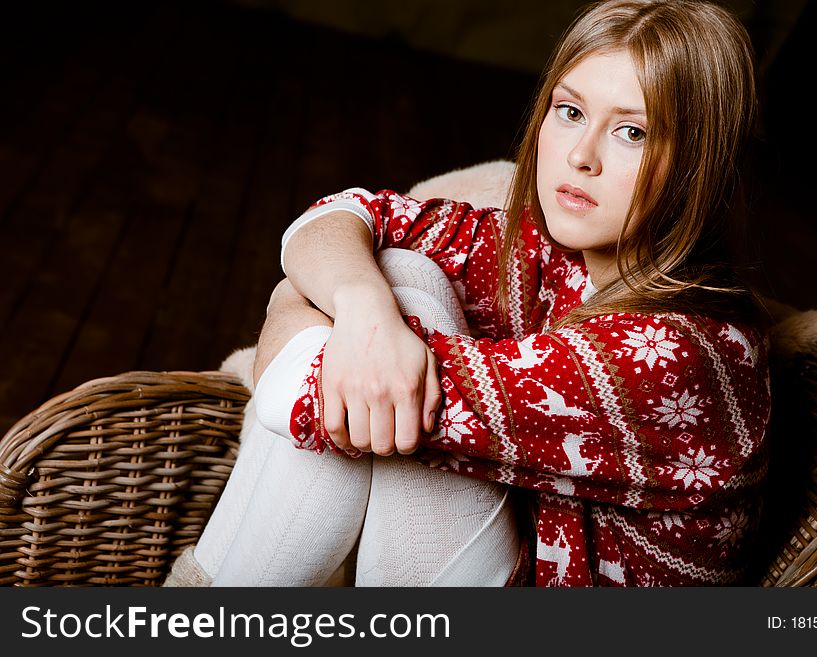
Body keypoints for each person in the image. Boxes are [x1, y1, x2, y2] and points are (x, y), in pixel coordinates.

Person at [173, 0, 771, 587]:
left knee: (382, 370)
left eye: (632, 132)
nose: (580, 156)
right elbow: (342, 215)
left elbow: (305, 397)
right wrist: (363, 308)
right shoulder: (555, 254)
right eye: (569, 112)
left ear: (700, 165)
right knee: (398, 277)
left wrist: (298, 306)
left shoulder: (678, 355)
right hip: (513, 562)